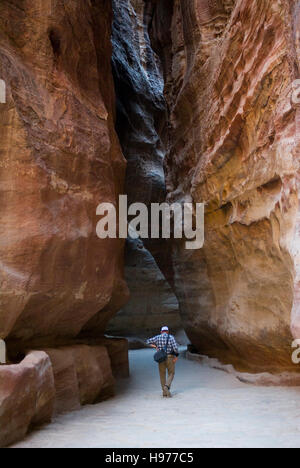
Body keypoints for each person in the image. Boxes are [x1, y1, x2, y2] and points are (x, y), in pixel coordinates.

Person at [146, 326, 179, 397]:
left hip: (161, 358)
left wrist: (155, 346)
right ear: (167, 331)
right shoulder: (171, 337)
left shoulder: (157, 337)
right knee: (171, 373)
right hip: (170, 357)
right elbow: (175, 348)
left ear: (161, 332)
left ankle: (164, 393)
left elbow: (147, 341)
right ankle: (167, 386)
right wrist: (176, 356)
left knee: (162, 374)